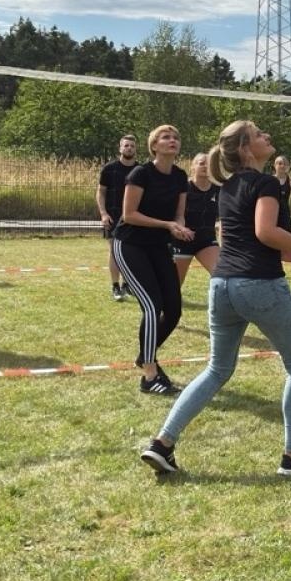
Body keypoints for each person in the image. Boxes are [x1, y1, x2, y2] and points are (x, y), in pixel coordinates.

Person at [140, 121, 291, 477]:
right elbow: (264, 231)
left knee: (217, 370)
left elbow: (241, 239)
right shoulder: (266, 182)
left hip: (223, 284)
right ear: (246, 149)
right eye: (260, 135)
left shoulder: (227, 186)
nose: (268, 138)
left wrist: (283, 254)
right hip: (258, 285)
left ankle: (162, 444)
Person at [113, 125, 193, 396]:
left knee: (173, 309)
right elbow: (129, 214)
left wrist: (179, 226)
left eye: (176, 137)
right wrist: (168, 224)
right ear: (154, 146)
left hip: (158, 246)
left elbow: (180, 214)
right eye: (166, 137)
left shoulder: (181, 176)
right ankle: (149, 375)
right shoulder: (140, 174)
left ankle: (144, 354)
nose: (173, 140)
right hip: (130, 244)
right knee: (151, 305)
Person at [96, 134, 138, 302]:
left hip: (134, 218)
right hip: (113, 217)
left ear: (136, 149)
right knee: (114, 251)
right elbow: (101, 192)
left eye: (132, 146)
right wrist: (103, 213)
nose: (129, 148)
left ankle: (128, 285)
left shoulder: (140, 170)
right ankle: (115, 286)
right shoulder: (109, 169)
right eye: (126, 145)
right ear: (120, 148)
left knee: (132, 253)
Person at [173, 151, 221, 286]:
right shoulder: (183, 188)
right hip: (182, 240)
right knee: (174, 286)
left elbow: (223, 218)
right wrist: (180, 229)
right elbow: (174, 215)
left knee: (222, 275)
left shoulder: (219, 190)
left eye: (209, 164)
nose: (205, 166)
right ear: (193, 167)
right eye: (201, 163)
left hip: (207, 241)